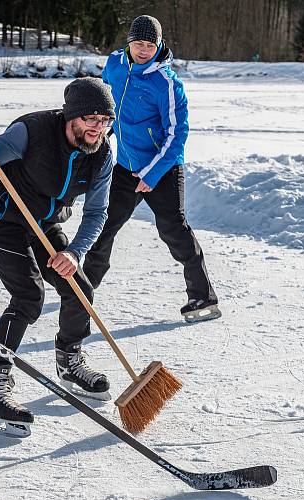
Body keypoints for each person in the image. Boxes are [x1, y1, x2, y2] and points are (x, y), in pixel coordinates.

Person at [0, 78, 115, 437]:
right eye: (90, 118)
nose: (97, 127)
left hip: (43, 222)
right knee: (29, 296)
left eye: (105, 120)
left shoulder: (103, 153)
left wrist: (74, 252)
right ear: (71, 116)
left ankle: (69, 360)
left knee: (78, 286)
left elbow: (98, 212)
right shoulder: (30, 131)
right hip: (0, 216)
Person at [83, 15, 221, 323]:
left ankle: (203, 296)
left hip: (163, 169)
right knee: (104, 225)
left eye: (150, 45)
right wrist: (100, 133)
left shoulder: (167, 83)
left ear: (158, 46)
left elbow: (177, 134)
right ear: (129, 42)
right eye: (139, 44)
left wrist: (153, 173)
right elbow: (105, 103)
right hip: (126, 165)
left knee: (174, 229)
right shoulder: (116, 64)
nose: (144, 50)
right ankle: (86, 285)